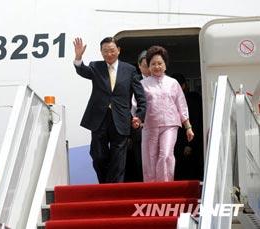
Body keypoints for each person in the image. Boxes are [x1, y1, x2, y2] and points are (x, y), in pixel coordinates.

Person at [73, 37, 146, 183]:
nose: (109, 54)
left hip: (121, 118)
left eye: (112, 50)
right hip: (99, 117)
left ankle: (115, 189)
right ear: (101, 53)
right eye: (105, 51)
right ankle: (105, 183)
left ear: (118, 50)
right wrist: (78, 57)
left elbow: (140, 96)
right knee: (98, 155)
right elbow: (82, 71)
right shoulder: (96, 67)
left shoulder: (130, 70)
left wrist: (139, 115)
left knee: (119, 158)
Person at [132, 45, 194, 182]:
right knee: (150, 157)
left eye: (160, 63)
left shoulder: (173, 83)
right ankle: (152, 189)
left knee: (166, 155)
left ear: (165, 65)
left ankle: (165, 186)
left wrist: (188, 127)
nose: (157, 66)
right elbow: (136, 104)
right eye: (153, 64)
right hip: (149, 125)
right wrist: (136, 118)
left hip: (170, 124)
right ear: (148, 66)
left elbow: (181, 105)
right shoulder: (142, 84)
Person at [172, 73, 204, 181]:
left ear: (183, 86)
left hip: (189, 143)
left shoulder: (192, 99)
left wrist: (189, 144)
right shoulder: (171, 100)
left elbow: (196, 122)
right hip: (175, 144)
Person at [124, 50, 150, 182]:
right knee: (140, 162)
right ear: (139, 66)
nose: (150, 68)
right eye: (146, 65)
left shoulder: (166, 81)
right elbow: (127, 105)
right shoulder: (133, 82)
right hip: (138, 128)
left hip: (159, 128)